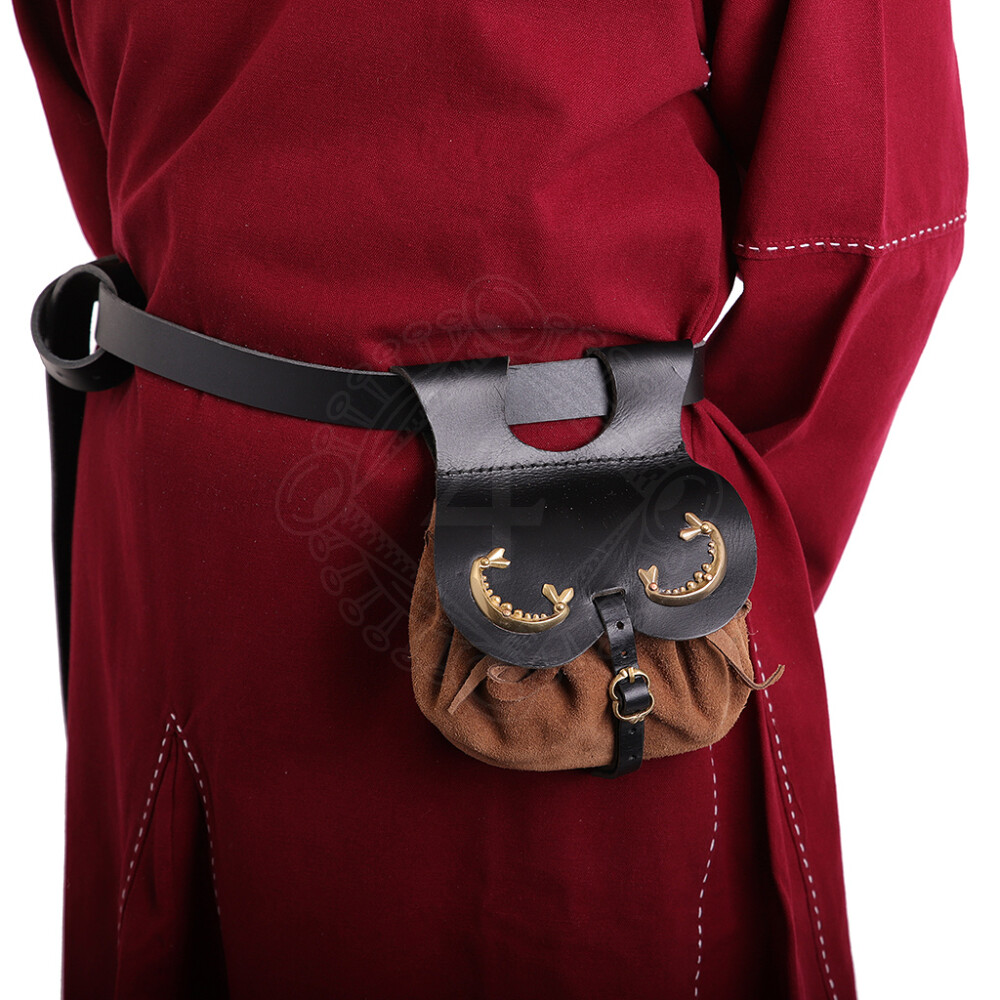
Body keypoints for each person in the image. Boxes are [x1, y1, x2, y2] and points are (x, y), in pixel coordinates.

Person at [13, 0, 966, 996]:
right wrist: (708, 557)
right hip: (554, 554)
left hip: (221, 528)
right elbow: (868, 224)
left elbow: (106, 137)